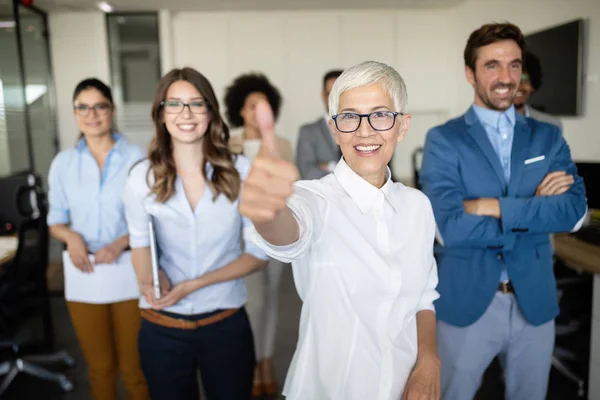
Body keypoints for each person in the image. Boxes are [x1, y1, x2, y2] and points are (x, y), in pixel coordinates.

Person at [240, 61, 440, 400]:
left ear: (402, 126)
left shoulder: (418, 205)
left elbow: (423, 296)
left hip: (405, 386)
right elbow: (288, 228)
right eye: (349, 117)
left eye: (380, 115)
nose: (364, 131)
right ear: (334, 129)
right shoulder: (314, 199)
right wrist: (267, 211)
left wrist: (429, 359)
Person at [419, 23, 587, 400]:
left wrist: (491, 207)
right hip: (467, 300)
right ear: (470, 73)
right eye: (492, 65)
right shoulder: (444, 140)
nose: (506, 77)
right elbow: (449, 229)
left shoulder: (548, 137)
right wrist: (538, 211)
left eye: (514, 65)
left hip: (535, 300)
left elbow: (575, 213)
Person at [122, 67, 268, 400]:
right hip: (163, 328)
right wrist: (148, 277)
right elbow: (139, 243)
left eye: (196, 104)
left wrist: (195, 284)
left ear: (210, 112)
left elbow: (258, 255)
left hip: (225, 325)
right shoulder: (141, 177)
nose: (185, 114)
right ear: (161, 113)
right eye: (174, 104)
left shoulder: (241, 171)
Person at [47, 78, 149, 400]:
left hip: (128, 269)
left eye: (100, 106)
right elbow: (55, 220)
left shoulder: (136, 158)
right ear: (75, 113)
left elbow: (149, 216)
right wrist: (71, 236)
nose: (92, 114)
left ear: (112, 110)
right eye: (83, 107)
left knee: (135, 368)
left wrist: (120, 243)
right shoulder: (63, 163)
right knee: (100, 367)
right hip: (84, 273)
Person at [224, 72, 292, 398]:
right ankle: (252, 364)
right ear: (240, 110)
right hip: (240, 236)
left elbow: (291, 190)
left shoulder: (282, 145)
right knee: (254, 302)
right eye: (251, 106)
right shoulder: (226, 146)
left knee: (273, 300)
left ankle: (266, 362)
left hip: (275, 231)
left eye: (262, 107)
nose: (256, 112)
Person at [295, 70, 344, 180]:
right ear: (323, 96)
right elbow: (308, 173)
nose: (335, 100)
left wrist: (328, 166)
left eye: (340, 94)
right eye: (330, 94)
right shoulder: (308, 132)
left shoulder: (362, 128)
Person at [514, 51, 563, 128]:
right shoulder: (488, 125)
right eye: (512, 80)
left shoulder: (551, 125)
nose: (518, 86)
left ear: (533, 86)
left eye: (524, 78)